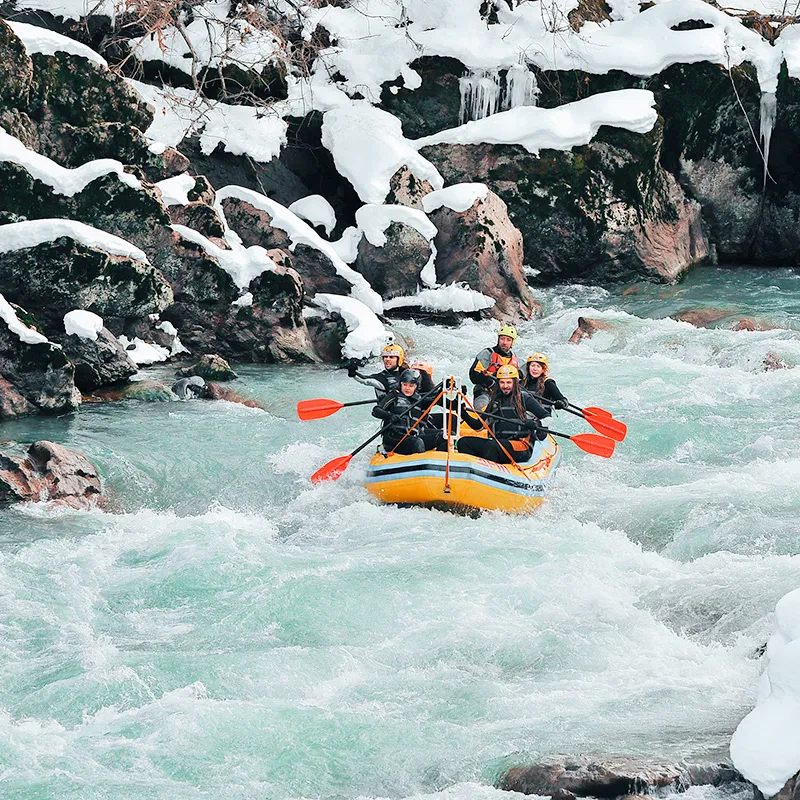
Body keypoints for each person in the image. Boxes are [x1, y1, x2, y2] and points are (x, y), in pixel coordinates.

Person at [457, 364, 551, 463]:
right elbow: (478, 426)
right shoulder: (495, 401)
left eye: (509, 382)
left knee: (492, 446)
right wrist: (463, 413)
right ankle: (474, 471)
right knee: (464, 442)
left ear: (515, 383)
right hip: (498, 444)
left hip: (520, 446)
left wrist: (537, 424)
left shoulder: (525, 398)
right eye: (502, 382)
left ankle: (490, 472)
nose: (505, 386)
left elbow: (548, 418)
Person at [371, 369, 445, 455]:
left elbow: (437, 398)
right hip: (394, 439)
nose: (407, 388)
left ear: (416, 386)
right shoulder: (394, 396)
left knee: (444, 437)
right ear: (400, 384)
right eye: (404, 385)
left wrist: (444, 388)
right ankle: (418, 464)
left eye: (411, 386)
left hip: (412, 437)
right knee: (417, 442)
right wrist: (390, 416)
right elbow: (375, 411)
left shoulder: (420, 399)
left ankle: (438, 463)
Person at [468, 324, 519, 411]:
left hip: (504, 394)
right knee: (483, 410)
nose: (504, 342)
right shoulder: (487, 354)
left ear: (512, 342)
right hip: (484, 392)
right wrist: (489, 382)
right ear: (498, 339)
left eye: (508, 340)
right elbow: (473, 376)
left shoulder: (515, 359)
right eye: (502, 338)